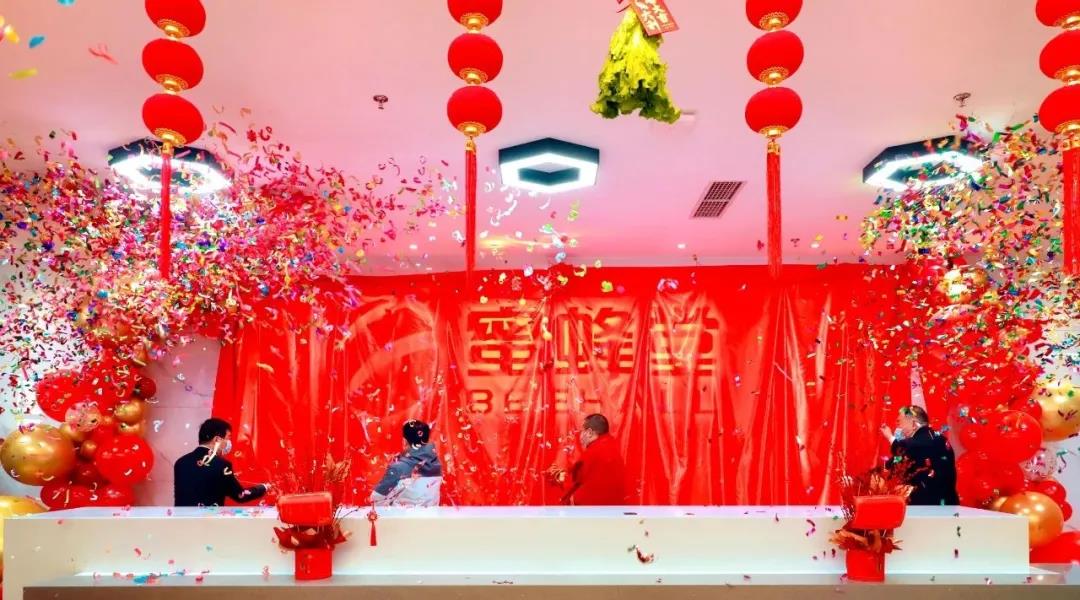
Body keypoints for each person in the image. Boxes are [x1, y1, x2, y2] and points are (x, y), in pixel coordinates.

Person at [174, 418, 270, 507]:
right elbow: (240, 495)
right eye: (228, 438)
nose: (229, 443)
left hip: (181, 519)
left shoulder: (181, 462)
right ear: (217, 439)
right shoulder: (222, 465)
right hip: (209, 519)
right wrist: (264, 487)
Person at [880, 405, 959, 506]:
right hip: (946, 505)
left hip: (926, 507)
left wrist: (890, 437)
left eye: (900, 422)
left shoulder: (919, 442)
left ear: (914, 423)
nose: (898, 427)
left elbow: (905, 448)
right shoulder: (940, 439)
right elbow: (900, 459)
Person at [550, 414, 627, 505]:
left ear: (589, 432)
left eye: (582, 431)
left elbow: (573, 482)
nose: (580, 436)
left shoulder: (592, 453)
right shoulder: (614, 449)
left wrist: (558, 475)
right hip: (616, 508)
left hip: (594, 509)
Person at [370, 420, 442, 507]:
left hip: (400, 515)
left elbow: (376, 499)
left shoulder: (398, 468)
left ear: (404, 440)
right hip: (432, 515)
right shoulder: (437, 466)